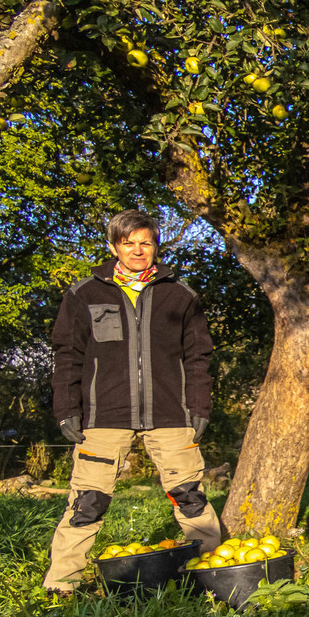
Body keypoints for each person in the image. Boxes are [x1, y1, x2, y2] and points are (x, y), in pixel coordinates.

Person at [44, 210, 222, 594]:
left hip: (171, 415)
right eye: (129, 242)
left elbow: (198, 358)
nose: (138, 250)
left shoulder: (180, 295)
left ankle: (215, 575)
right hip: (103, 415)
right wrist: (66, 409)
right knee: (87, 501)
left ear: (156, 246)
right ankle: (61, 587)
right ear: (114, 246)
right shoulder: (84, 294)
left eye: (146, 242)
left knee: (190, 498)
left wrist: (199, 406)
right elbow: (66, 355)